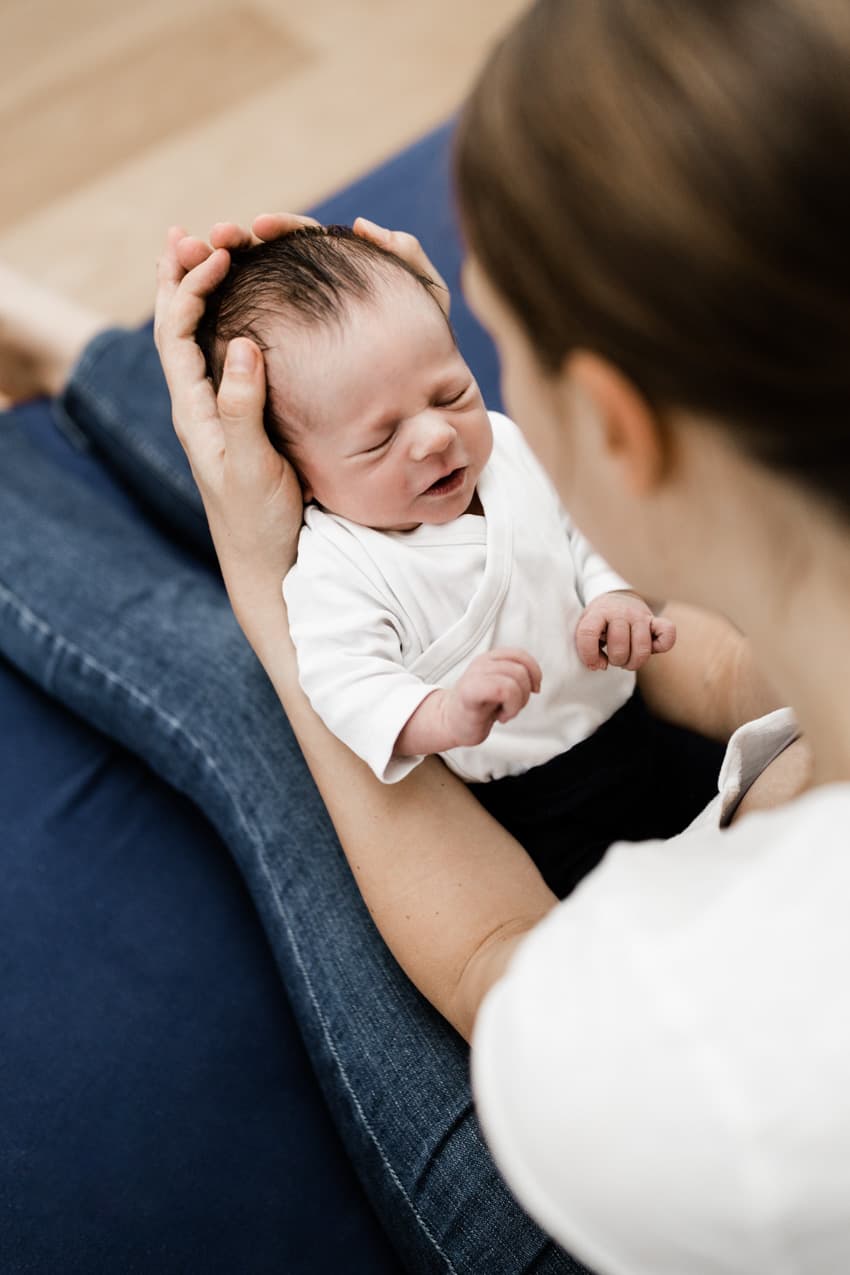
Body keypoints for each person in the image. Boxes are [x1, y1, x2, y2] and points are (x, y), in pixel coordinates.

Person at [0, 1, 831, 1272]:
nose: (450, 431)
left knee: (248, 701)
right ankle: (88, 360)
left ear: (616, 425)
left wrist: (262, 578)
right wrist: (383, 378)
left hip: (600, 1095)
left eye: (473, 370)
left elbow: (497, 958)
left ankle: (86, 392)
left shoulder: (695, 1076)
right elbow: (727, 662)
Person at [196, 226, 680, 897]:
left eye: (450, 394)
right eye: (380, 440)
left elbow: (580, 524)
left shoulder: (504, 448)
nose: (434, 436)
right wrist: (445, 714)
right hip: (537, 807)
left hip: (639, 723)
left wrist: (612, 593)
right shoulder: (338, 567)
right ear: (299, 476)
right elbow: (349, 684)